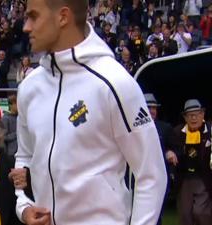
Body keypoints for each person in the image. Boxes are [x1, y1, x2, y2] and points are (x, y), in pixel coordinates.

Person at [12, 0, 167, 224]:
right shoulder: (29, 87)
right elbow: (24, 157)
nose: (26, 26)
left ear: (63, 17)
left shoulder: (113, 81)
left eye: (33, 16)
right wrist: (24, 207)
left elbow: (151, 174)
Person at [167, 99, 212, 225]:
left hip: (204, 177)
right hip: (184, 178)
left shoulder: (210, 130)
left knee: (201, 212)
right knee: (185, 214)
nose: (193, 117)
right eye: (190, 115)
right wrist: (169, 152)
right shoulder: (177, 132)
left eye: (196, 114)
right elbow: (168, 146)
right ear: (185, 117)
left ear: (202, 114)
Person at [144, 93, 174, 225]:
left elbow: (176, 148)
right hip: (139, 177)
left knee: (156, 214)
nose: (152, 111)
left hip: (159, 177)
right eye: (148, 107)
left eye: (154, 108)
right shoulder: (132, 128)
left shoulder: (165, 128)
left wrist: (170, 151)